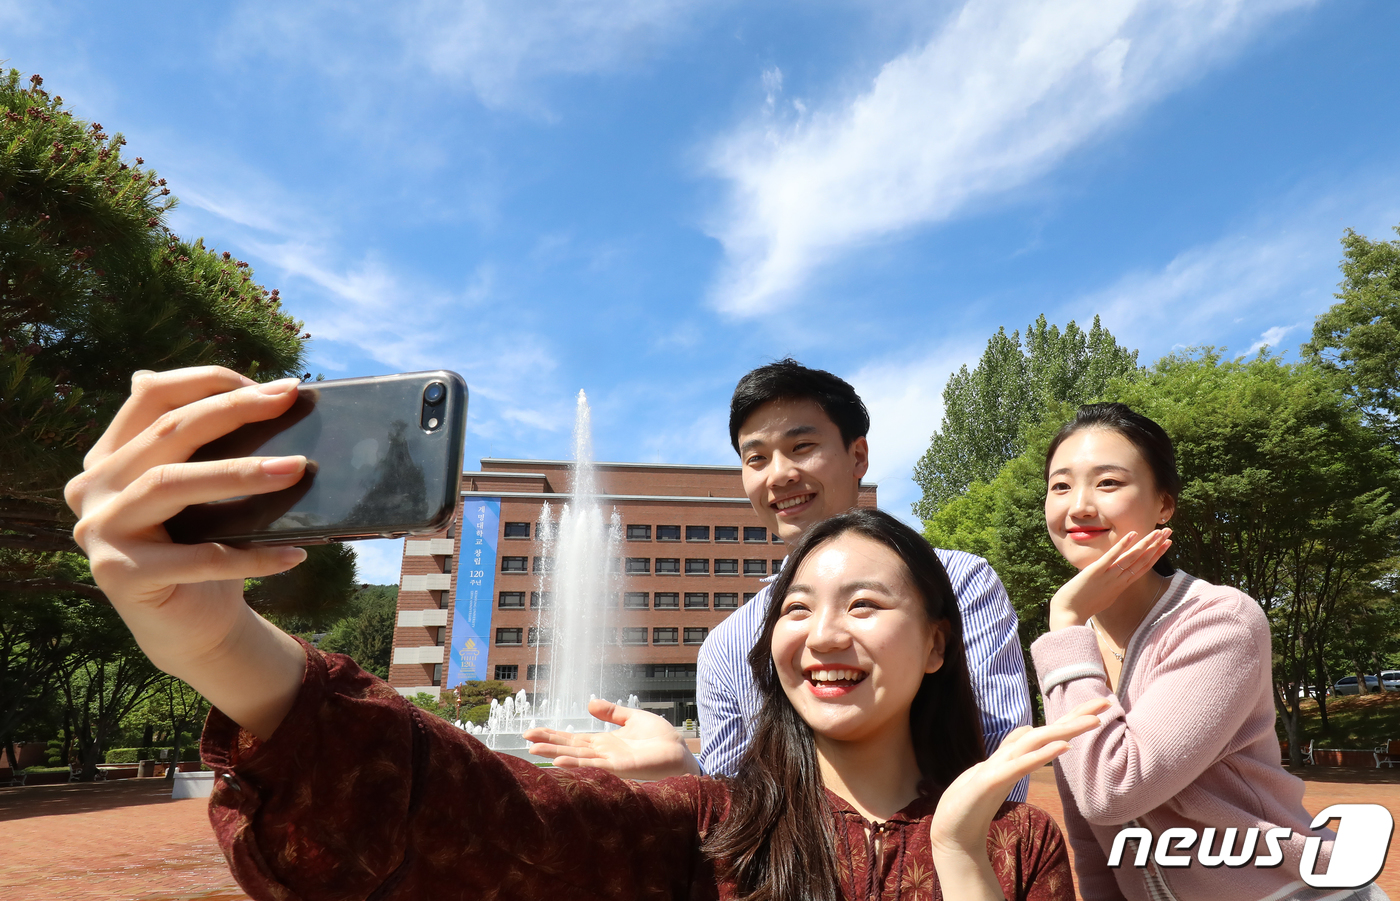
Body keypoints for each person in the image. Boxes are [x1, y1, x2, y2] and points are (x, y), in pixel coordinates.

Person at [63, 367, 1100, 900]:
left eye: (865, 603)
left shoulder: (1020, 845)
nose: (819, 631)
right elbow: (466, 812)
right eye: (794, 608)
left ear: (936, 640)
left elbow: (1001, 760)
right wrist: (209, 641)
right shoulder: (704, 831)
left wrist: (959, 850)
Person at [527, 359, 1033, 799]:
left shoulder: (958, 581)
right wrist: (686, 771)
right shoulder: (727, 646)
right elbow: (737, 800)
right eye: (757, 459)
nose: (779, 474)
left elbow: (1001, 763)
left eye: (802, 446)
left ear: (858, 457)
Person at [1030, 402, 1387, 901]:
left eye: (1108, 483)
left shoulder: (1218, 618)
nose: (1079, 506)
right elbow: (1092, 834)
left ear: (1163, 506)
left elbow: (1113, 789)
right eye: (1061, 485)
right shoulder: (1075, 650)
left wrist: (1065, 622)